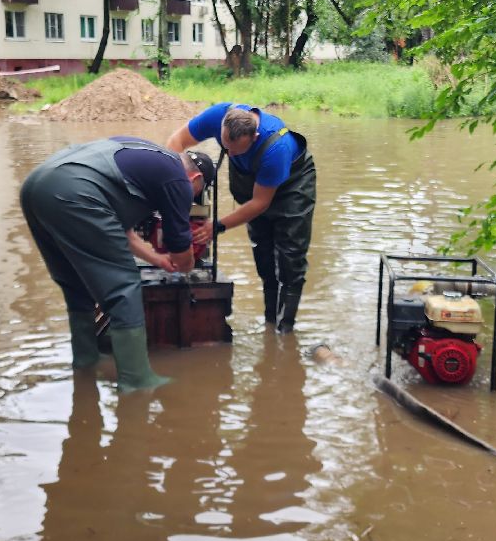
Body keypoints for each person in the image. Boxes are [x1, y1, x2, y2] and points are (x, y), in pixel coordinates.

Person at [20, 137, 215, 392]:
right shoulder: (178, 179)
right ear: (195, 178)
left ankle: (86, 358)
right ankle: (136, 381)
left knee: (75, 284)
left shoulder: (147, 159)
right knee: (124, 287)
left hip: (37, 186)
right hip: (75, 193)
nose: (190, 201)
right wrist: (186, 265)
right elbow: (182, 253)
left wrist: (156, 260)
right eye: (196, 194)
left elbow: (124, 232)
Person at [166, 103, 315, 332]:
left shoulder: (277, 148)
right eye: (226, 148)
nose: (230, 154)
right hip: (255, 187)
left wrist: (217, 226)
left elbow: (260, 203)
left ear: (254, 137)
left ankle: (285, 331)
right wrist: (179, 186)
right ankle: (269, 323)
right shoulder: (218, 116)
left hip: (292, 188)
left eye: (236, 151)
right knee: (263, 258)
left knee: (290, 261)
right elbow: (176, 141)